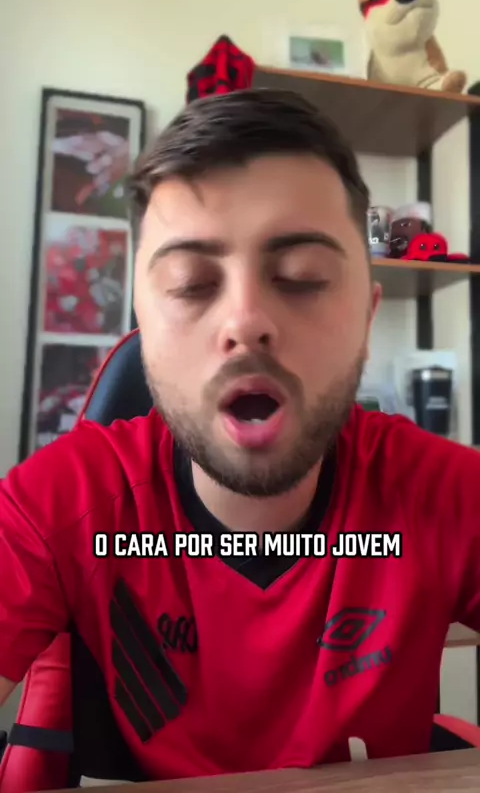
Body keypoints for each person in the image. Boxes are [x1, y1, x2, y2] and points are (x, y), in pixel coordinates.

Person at [1, 88, 480, 785]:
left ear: (367, 318)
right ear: (141, 321)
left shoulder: (445, 494)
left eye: (303, 279)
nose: (246, 320)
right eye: (191, 283)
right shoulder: (54, 508)